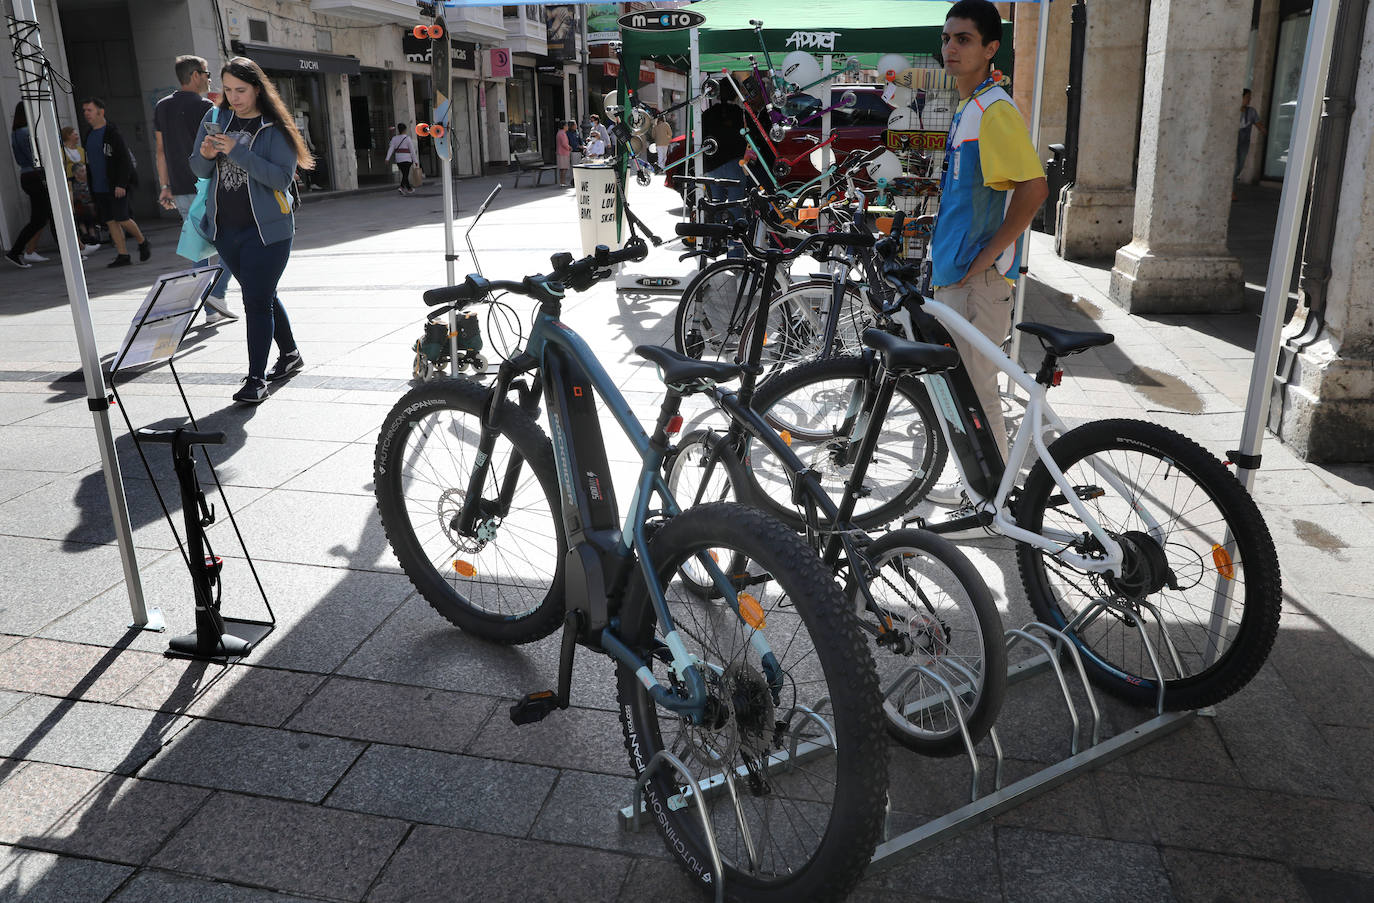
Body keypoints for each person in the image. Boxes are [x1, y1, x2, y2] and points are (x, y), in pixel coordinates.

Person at [928, 0, 1048, 465]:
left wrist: (990, 254)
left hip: (976, 280)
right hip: (957, 273)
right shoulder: (972, 106)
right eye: (946, 38)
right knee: (962, 390)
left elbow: (1034, 188)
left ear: (991, 48)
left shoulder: (995, 110)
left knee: (978, 392)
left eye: (964, 39)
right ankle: (980, 487)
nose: (951, 47)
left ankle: (997, 494)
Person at [189, 56, 313, 405]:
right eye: (227, 90)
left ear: (257, 88)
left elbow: (279, 178)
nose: (233, 97)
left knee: (255, 302)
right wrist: (205, 154)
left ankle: (255, 379)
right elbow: (199, 170)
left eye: (240, 90)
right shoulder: (214, 118)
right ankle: (290, 355)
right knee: (264, 296)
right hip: (226, 230)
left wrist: (237, 151)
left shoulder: (276, 127)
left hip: (268, 232)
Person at [154, 55, 236, 322]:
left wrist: (165, 186)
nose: (209, 78)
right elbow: (216, 146)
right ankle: (216, 296)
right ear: (195, 75)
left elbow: (160, 150)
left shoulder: (162, 106)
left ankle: (211, 309)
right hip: (207, 184)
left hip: (179, 186)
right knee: (231, 242)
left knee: (198, 247)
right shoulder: (206, 107)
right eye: (207, 73)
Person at [82, 97, 150, 268]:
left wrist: (121, 183)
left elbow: (124, 160)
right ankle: (123, 254)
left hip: (115, 185)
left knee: (123, 218)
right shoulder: (89, 134)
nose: (86, 114)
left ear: (101, 112)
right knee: (110, 220)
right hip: (99, 186)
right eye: (84, 111)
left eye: (89, 110)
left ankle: (142, 241)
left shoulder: (112, 133)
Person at [5, 103, 53, 268]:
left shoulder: (15, 134)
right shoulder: (27, 133)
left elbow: (20, 158)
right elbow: (36, 156)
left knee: (40, 217)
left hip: (26, 176)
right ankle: (17, 251)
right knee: (43, 217)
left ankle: (22, 251)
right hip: (35, 175)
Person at [60, 126, 102, 253]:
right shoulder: (62, 151)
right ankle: (82, 235)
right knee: (75, 208)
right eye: (74, 134)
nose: (77, 136)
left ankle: (90, 233)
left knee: (88, 205)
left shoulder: (81, 150)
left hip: (83, 182)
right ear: (67, 136)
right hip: (69, 182)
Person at [1234, 88, 1267, 201]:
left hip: (1243, 144)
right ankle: (1231, 191)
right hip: (1233, 142)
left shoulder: (1251, 111)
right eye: (1247, 97)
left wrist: (1265, 132)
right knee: (1234, 166)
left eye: (1250, 97)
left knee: (1239, 166)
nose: (1249, 100)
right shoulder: (1234, 109)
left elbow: (1258, 124)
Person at [384, 122, 415, 195]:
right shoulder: (408, 138)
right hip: (407, 159)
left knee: (404, 173)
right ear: (405, 130)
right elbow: (412, 150)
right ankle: (401, 187)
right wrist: (415, 160)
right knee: (405, 174)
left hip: (399, 159)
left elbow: (391, 148)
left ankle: (409, 189)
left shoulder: (394, 138)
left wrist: (387, 158)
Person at [554, 119, 572, 186]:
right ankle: (563, 182)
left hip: (560, 152)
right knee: (564, 168)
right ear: (564, 126)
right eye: (566, 125)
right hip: (563, 153)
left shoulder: (559, 133)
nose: (567, 127)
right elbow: (564, 144)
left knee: (562, 169)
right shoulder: (562, 133)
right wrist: (569, 147)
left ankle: (562, 182)